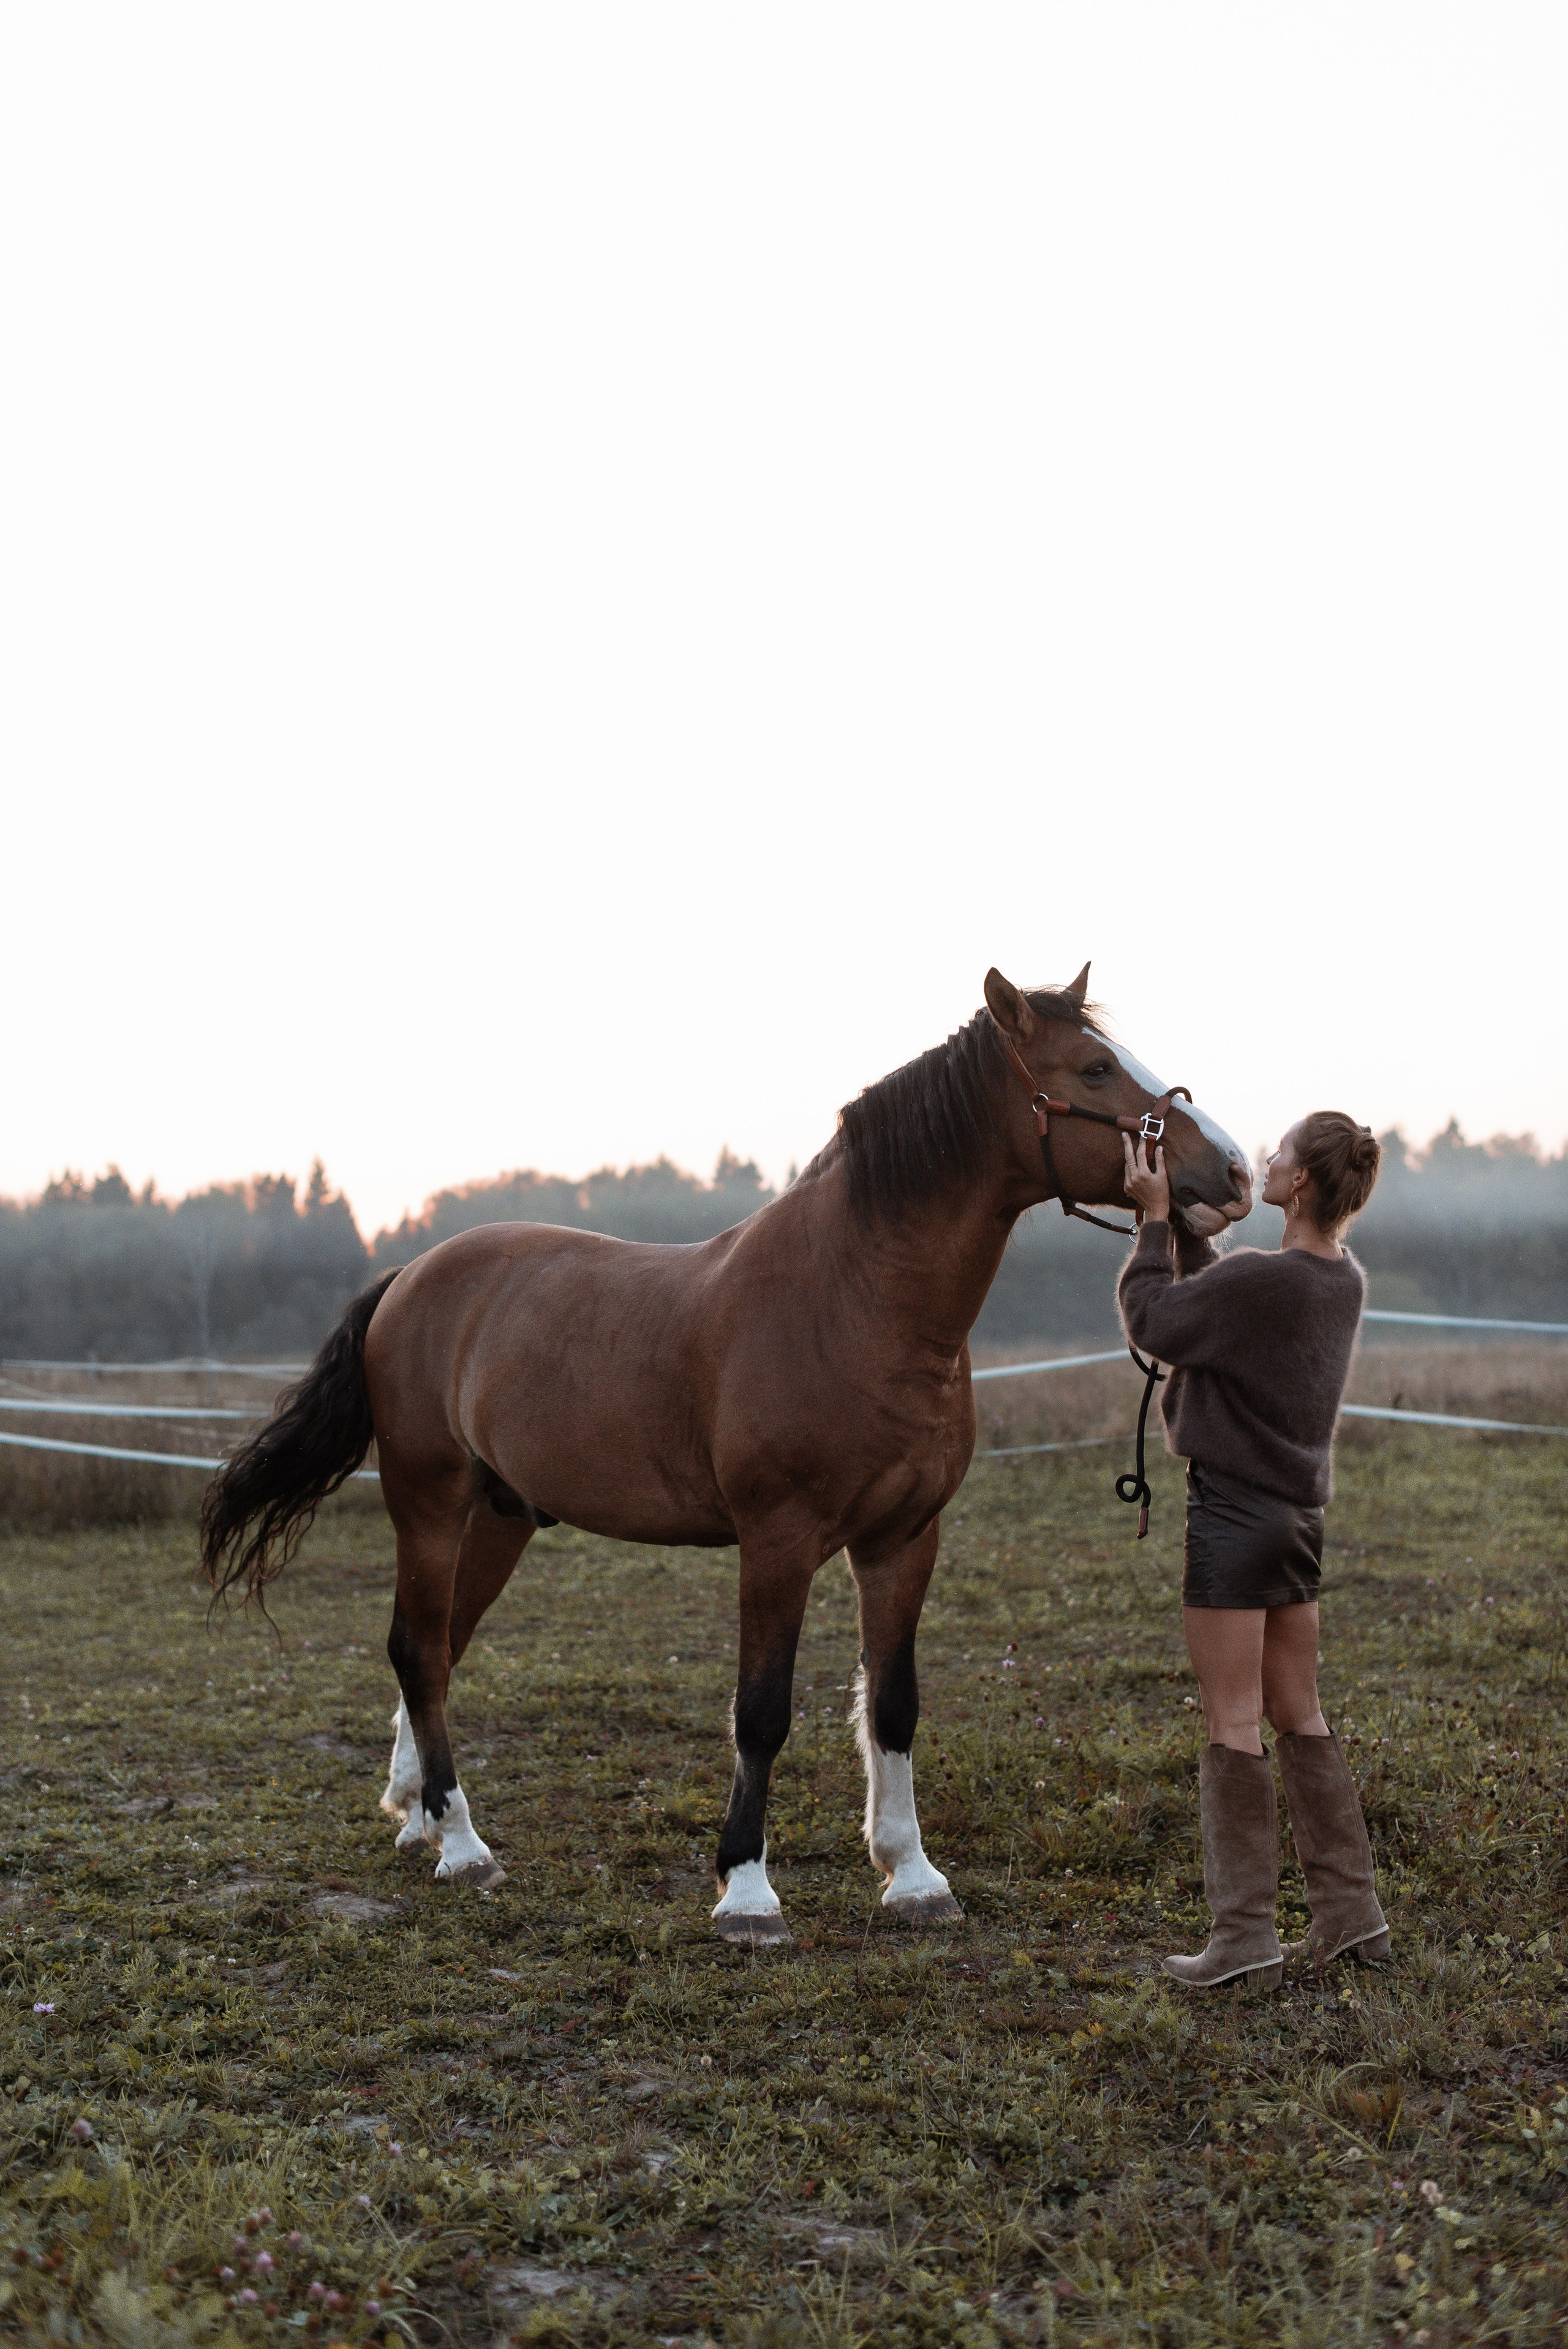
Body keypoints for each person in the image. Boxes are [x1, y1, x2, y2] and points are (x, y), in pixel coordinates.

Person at [1117, 1111, 1387, 1989]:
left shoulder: (1266, 1283)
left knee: (1233, 1722)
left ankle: (1243, 1942)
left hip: (1231, 1518)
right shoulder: (1339, 1280)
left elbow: (1158, 1321)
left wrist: (1156, 1222)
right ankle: (1352, 1919)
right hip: (1296, 1527)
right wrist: (1201, 1240)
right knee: (1297, 1712)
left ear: (1300, 1181)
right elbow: (1220, 1319)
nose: (1262, 1159)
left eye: (1278, 1153)